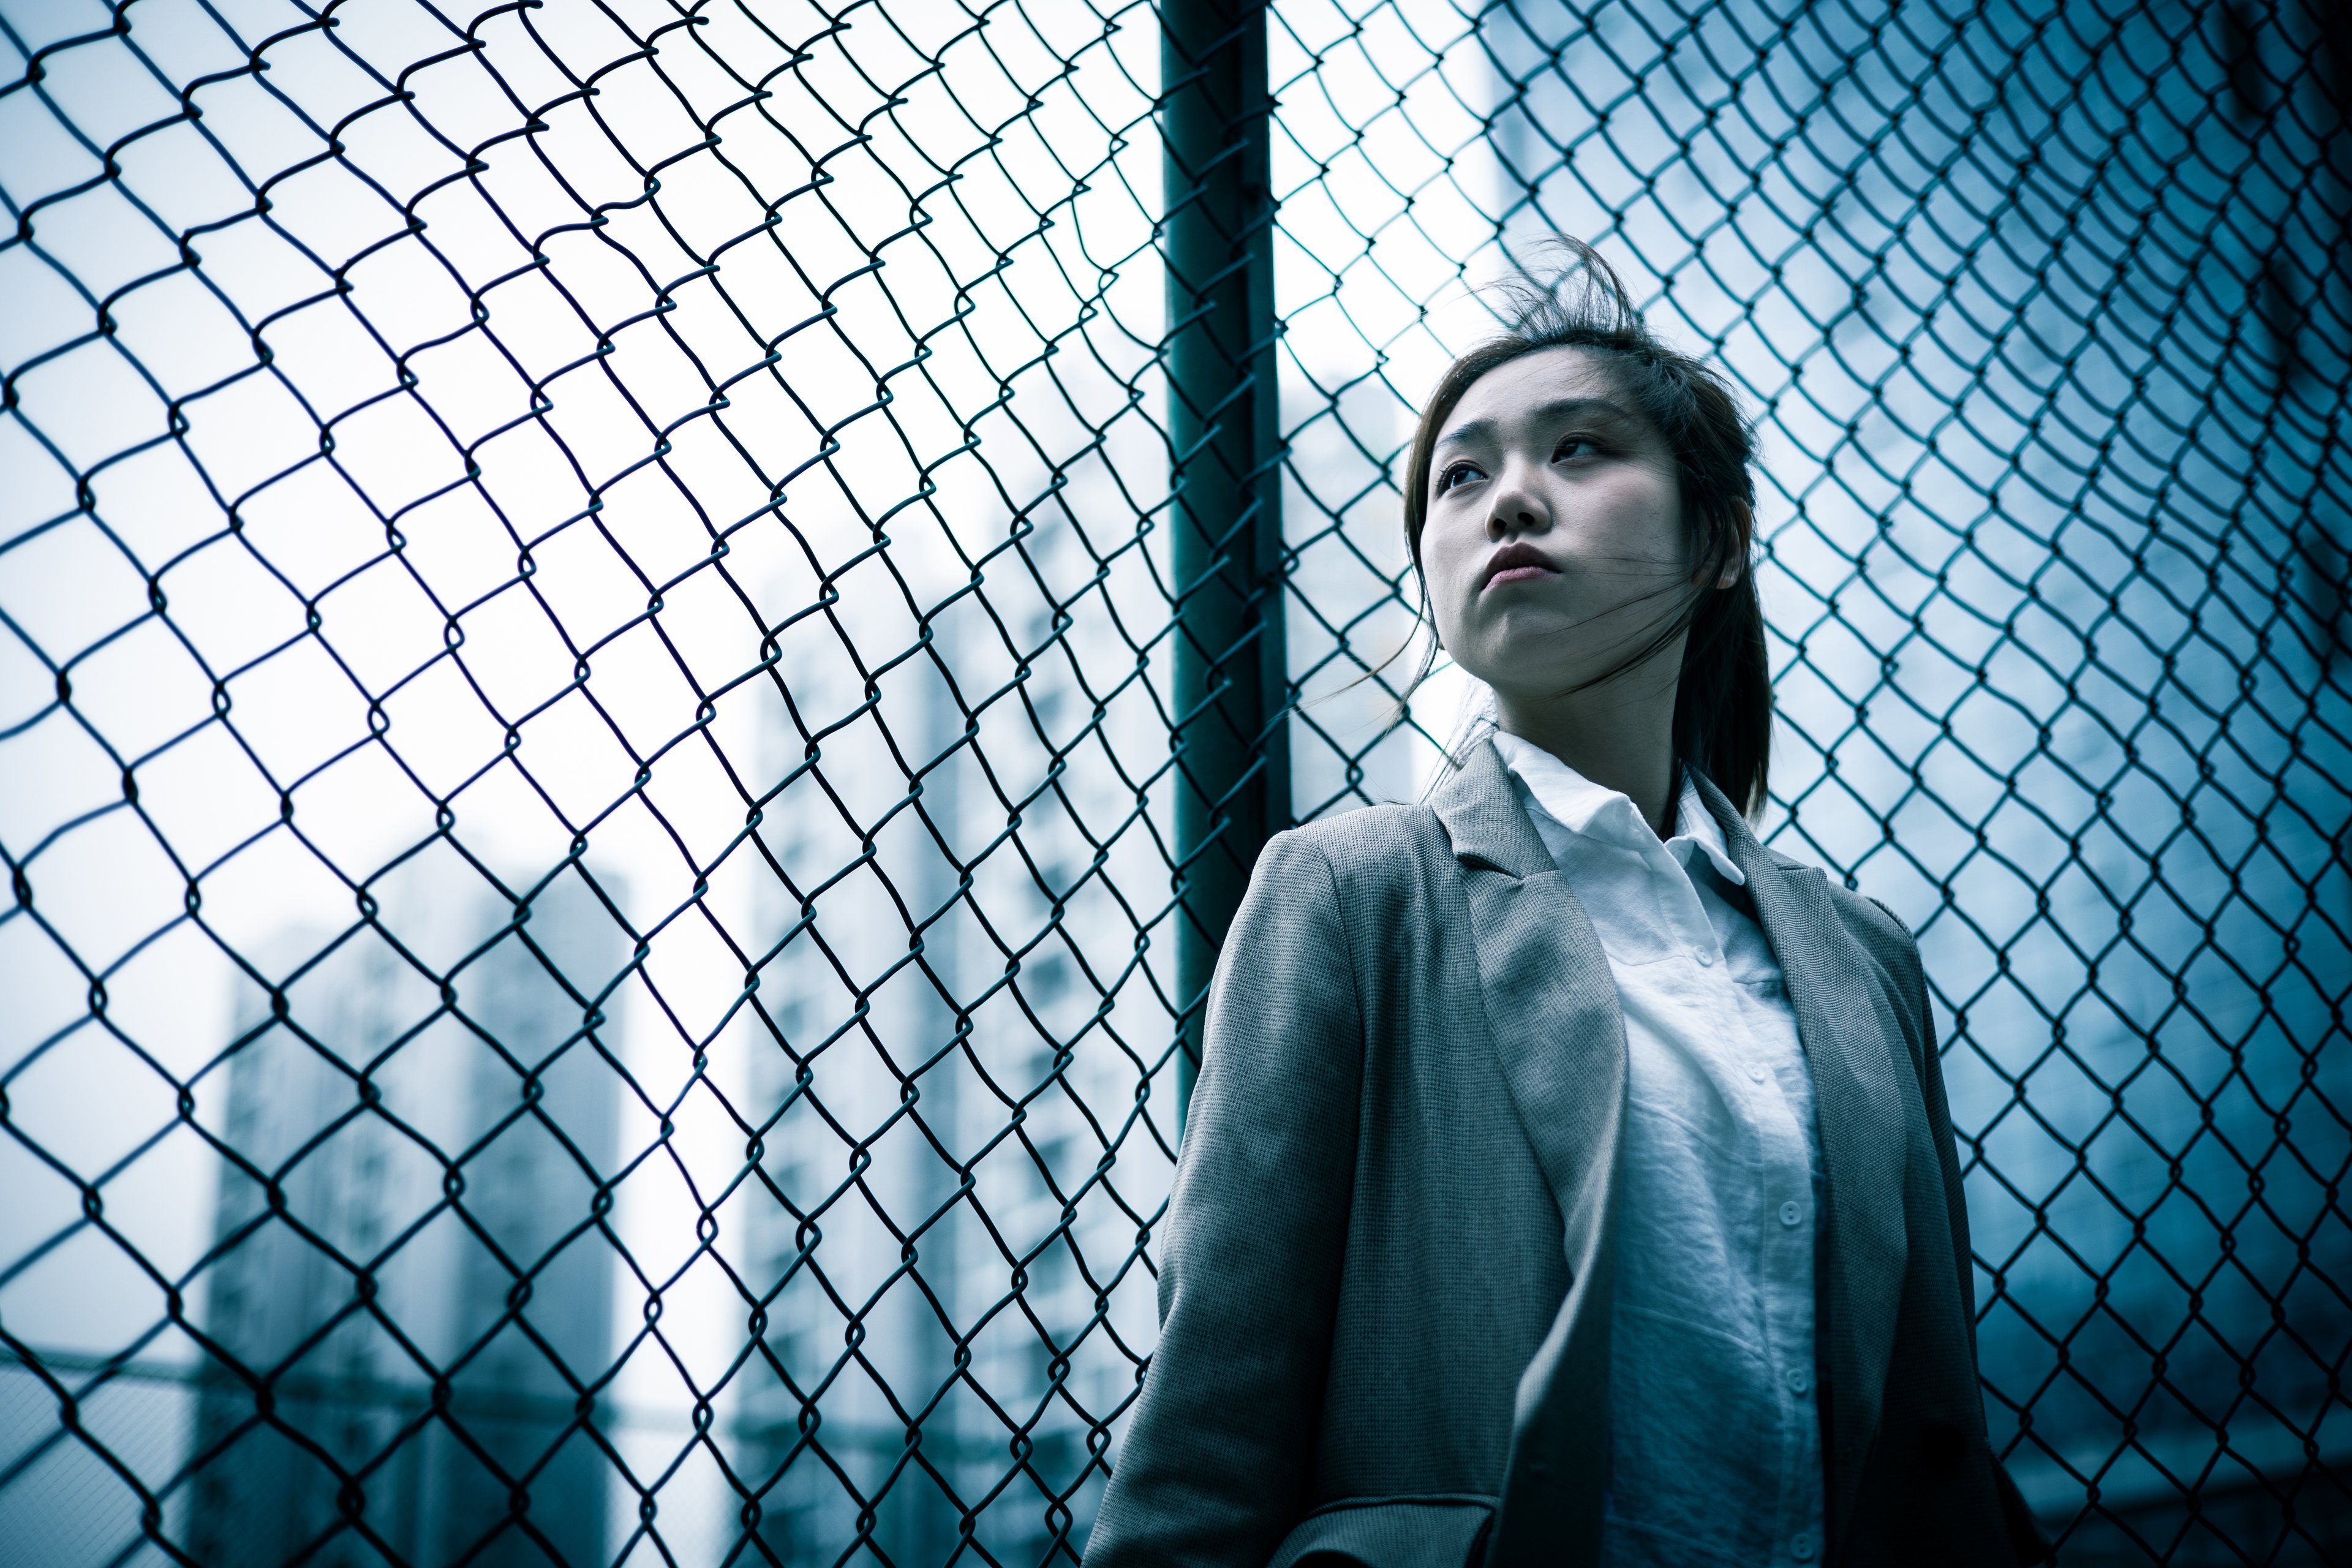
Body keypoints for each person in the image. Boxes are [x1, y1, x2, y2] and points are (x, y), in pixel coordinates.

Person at [1083, 243, 2051, 1568]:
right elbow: (1207, 1432)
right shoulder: (1354, 893)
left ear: (1716, 541)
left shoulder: (1864, 955)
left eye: (1582, 449)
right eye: (1459, 477)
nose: (1509, 499)